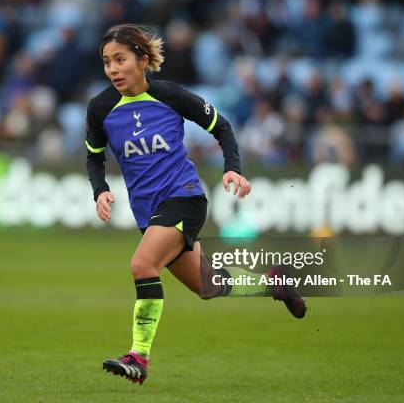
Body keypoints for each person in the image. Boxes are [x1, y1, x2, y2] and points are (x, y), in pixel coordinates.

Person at [85, 24, 306, 385]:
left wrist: (233, 168)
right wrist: (100, 190)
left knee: (142, 265)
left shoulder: (171, 95)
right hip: (149, 212)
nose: (112, 69)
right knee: (209, 286)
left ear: (142, 60)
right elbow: (93, 156)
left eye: (120, 60)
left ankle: (138, 356)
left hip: (184, 196)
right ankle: (274, 284)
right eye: (107, 62)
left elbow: (222, 127)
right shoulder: (100, 108)